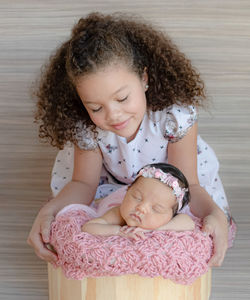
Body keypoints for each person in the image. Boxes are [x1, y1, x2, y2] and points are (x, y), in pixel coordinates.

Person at [27, 12, 235, 266]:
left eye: (123, 98)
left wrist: (214, 214)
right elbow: (83, 183)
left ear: (144, 78)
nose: (113, 115)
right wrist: (48, 211)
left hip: (168, 195)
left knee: (191, 230)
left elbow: (188, 184)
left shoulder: (173, 117)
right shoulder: (88, 128)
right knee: (80, 230)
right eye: (95, 108)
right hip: (115, 190)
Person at [81, 163, 195, 239]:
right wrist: (118, 231)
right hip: (114, 197)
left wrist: (155, 229)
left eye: (156, 209)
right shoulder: (118, 213)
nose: (141, 208)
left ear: (170, 216)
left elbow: (189, 223)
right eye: (137, 197)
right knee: (103, 201)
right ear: (128, 191)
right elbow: (89, 227)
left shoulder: (168, 218)